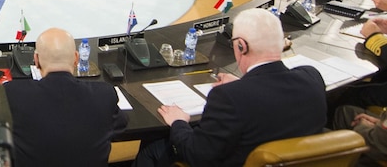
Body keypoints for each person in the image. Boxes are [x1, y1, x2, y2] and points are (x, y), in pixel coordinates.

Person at [134, 9, 325, 167]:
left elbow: (197, 155)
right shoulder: (312, 78)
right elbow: (270, 94)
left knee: (153, 148)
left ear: (241, 46)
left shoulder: (228, 97)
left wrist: (179, 122)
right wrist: (242, 85)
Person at [4, 28, 127, 167]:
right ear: (76, 58)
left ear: (36, 60)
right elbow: (121, 123)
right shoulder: (104, 95)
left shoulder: (12, 93)